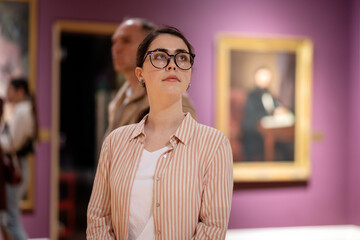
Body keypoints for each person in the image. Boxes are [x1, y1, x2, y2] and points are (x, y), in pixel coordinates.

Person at [87, 26, 233, 239]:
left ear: (189, 74)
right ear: (140, 74)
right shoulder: (115, 142)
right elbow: (98, 218)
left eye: (182, 58)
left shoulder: (214, 144)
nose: (172, 64)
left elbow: (212, 228)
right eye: (160, 56)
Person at [107, 18, 196, 135]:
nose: (116, 49)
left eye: (126, 41)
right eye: (114, 42)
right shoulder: (121, 98)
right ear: (139, 74)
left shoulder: (174, 100)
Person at [0, 78, 38, 240]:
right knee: (10, 218)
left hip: (17, 168)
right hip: (19, 166)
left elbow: (11, 144)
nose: (8, 94)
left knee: (11, 219)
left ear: (20, 91)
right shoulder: (23, 109)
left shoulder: (23, 111)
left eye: (10, 90)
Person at [241, 66, 294, 161]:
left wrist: (281, 110)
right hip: (255, 134)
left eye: (267, 76)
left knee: (288, 146)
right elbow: (252, 116)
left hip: (272, 132)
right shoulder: (251, 96)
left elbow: (276, 106)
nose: (265, 79)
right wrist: (273, 114)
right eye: (262, 76)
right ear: (255, 78)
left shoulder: (270, 94)